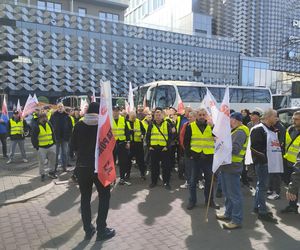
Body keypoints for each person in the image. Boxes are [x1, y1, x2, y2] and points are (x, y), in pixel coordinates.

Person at [71, 102, 115, 241]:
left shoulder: (78, 125)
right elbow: (110, 147)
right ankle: (101, 229)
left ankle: (88, 230)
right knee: (104, 196)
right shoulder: (102, 126)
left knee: (85, 198)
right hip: (99, 167)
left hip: (82, 167)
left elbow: (72, 146)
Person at [216, 112, 249, 229]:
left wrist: (220, 143)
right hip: (227, 166)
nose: (228, 123)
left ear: (234, 120)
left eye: (229, 120)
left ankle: (236, 220)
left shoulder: (240, 132)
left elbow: (235, 149)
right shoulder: (236, 131)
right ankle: (228, 214)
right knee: (227, 193)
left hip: (232, 167)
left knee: (234, 195)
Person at [250, 109, 283, 223]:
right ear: (268, 117)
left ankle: (257, 207)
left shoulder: (272, 129)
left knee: (261, 186)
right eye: (275, 116)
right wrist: (264, 160)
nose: (277, 119)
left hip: (270, 163)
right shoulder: (258, 129)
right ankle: (262, 212)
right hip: (263, 164)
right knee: (263, 187)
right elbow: (255, 148)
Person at [183, 108, 219, 210]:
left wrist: (213, 127)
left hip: (208, 158)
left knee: (209, 181)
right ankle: (192, 201)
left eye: (204, 115)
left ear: (206, 116)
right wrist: (190, 154)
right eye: (200, 115)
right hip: (195, 158)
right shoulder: (191, 126)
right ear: (197, 116)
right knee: (193, 181)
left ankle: (209, 201)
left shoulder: (211, 126)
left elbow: (217, 138)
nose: (202, 116)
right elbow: (186, 142)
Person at [146, 107, 172, 189]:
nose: (157, 115)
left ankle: (166, 182)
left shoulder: (167, 124)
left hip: (164, 149)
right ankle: (154, 182)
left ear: (162, 115)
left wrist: (167, 147)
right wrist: (149, 146)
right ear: (154, 115)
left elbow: (170, 137)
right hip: (153, 149)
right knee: (154, 167)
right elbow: (148, 137)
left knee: (166, 167)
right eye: (156, 114)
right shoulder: (151, 124)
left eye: (159, 114)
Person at [281, 111, 300, 214]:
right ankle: (292, 206)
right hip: (289, 162)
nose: (294, 121)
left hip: (298, 164)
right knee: (291, 185)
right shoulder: (290, 129)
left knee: (295, 185)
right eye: (293, 118)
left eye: (296, 119)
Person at [31, 113, 57, 181]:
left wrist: (54, 143)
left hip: (51, 146)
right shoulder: (36, 126)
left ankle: (51, 172)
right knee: (41, 162)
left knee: (52, 161)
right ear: (40, 119)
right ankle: (42, 174)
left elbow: (53, 133)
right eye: (44, 118)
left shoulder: (49, 123)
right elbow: (33, 138)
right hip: (42, 147)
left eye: (46, 117)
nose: (45, 119)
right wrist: (37, 147)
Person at [49, 103, 73, 172]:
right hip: (56, 137)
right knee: (55, 153)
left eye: (61, 107)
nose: (60, 108)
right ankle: (55, 167)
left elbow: (70, 127)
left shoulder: (67, 116)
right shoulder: (53, 115)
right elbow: (50, 126)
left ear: (63, 108)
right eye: (59, 107)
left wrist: (69, 136)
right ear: (57, 107)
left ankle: (64, 167)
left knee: (64, 153)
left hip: (65, 138)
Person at [112, 105, 131, 185]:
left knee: (122, 162)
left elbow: (127, 132)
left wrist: (128, 142)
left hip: (122, 143)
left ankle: (122, 178)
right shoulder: (109, 120)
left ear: (119, 111)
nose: (115, 112)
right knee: (111, 162)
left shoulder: (123, 119)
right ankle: (111, 178)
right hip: (112, 144)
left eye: (117, 110)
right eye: (114, 110)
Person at [126, 111, 146, 179]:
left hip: (138, 143)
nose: (134, 119)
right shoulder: (126, 122)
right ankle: (127, 174)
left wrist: (142, 135)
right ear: (129, 116)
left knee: (141, 160)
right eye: (132, 118)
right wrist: (132, 131)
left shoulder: (138, 121)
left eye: (135, 117)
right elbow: (124, 131)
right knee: (128, 160)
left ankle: (142, 173)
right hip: (129, 144)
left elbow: (143, 130)